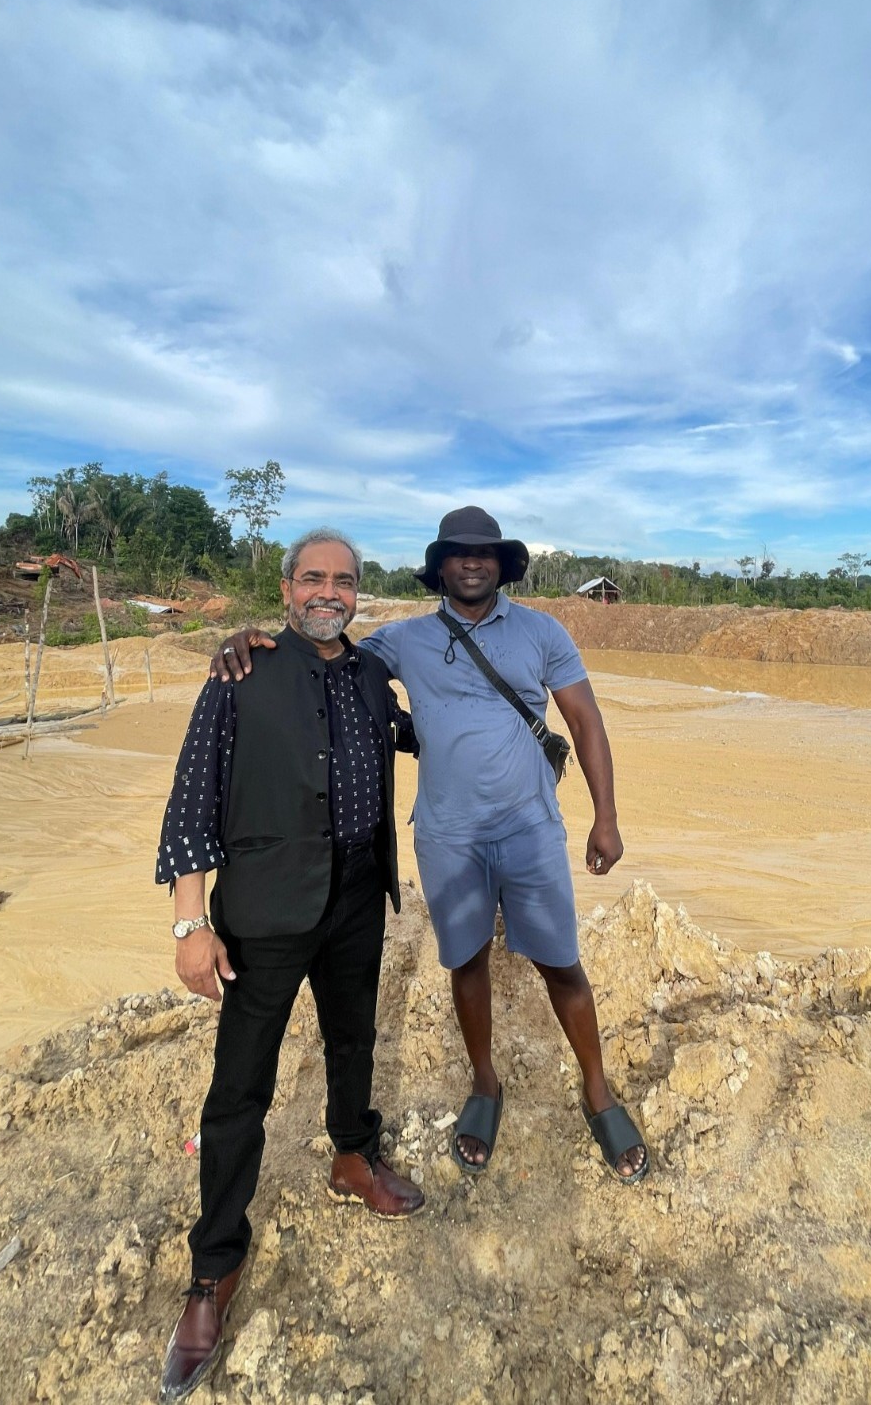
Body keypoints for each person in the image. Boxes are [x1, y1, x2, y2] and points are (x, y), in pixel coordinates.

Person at [213, 506, 648, 1187]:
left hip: (531, 829)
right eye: (457, 552)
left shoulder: (543, 632)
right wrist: (248, 642)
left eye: (485, 552)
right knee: (466, 960)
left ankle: (598, 1091)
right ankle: (485, 1083)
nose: (472, 562)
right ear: (439, 567)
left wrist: (607, 818)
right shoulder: (404, 639)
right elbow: (325, 654)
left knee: (562, 963)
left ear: (502, 565)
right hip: (447, 837)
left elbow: (585, 720)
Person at [156, 528, 424, 1403]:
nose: (329, 592)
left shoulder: (370, 677)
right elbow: (193, 796)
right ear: (286, 587)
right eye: (313, 577)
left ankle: (353, 1156)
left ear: (358, 593)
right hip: (266, 909)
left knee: (354, 1039)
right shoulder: (239, 672)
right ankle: (213, 1269)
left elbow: (422, 737)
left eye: (344, 580)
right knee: (240, 1088)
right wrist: (190, 922)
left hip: (357, 896)